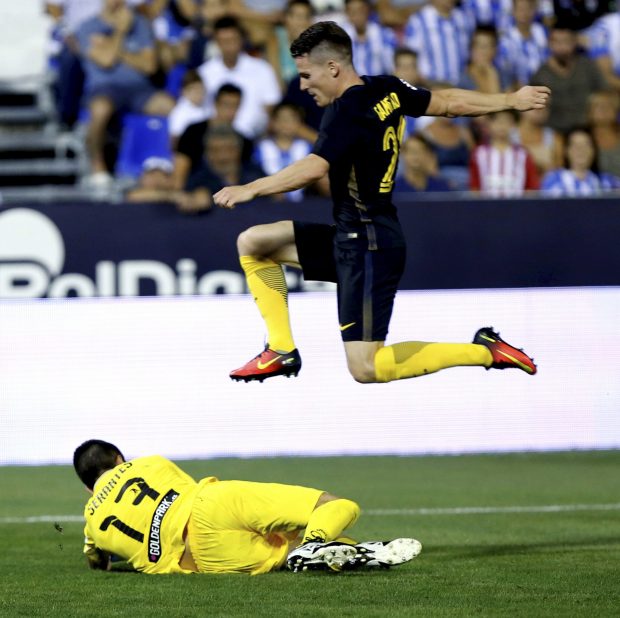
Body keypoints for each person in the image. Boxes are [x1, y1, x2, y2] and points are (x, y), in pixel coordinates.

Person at [213, 21, 546, 384]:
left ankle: (484, 351)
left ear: (333, 68)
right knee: (254, 242)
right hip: (352, 236)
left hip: (369, 245)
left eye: (306, 75)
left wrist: (251, 188)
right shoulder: (387, 88)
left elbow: (314, 168)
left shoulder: (346, 111)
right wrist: (510, 100)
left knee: (366, 368)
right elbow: (448, 102)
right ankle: (280, 350)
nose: (302, 85)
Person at [73, 439, 422, 574]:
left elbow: (96, 561)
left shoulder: (91, 520)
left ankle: (324, 550)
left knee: (289, 553)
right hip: (210, 505)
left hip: (201, 560)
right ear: (119, 459)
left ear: (88, 487)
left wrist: (106, 557)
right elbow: (184, 489)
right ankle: (319, 540)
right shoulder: (147, 463)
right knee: (334, 505)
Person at [75, 0, 175, 186]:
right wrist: (120, 33)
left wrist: (112, 46)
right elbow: (105, 60)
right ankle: (97, 166)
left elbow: (149, 65)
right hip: (105, 88)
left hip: (140, 89)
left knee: (172, 107)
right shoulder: (87, 27)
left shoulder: (141, 24)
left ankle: (177, 166)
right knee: (99, 110)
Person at [197, 16, 281, 139]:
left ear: (241, 39)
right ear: (216, 43)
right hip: (215, 138)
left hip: (254, 138)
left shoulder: (262, 69)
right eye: (224, 41)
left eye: (233, 40)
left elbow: (272, 107)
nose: (229, 46)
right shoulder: (204, 73)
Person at [530, 22, 608, 134]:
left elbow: (605, 93)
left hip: (588, 131)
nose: (561, 47)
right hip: (555, 134)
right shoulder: (541, 75)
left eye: (566, 41)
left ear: (575, 42)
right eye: (556, 42)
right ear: (549, 43)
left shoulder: (587, 66)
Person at [469, 110, 540, 197]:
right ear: (489, 124)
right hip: (486, 207)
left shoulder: (523, 154)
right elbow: (474, 186)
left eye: (507, 121)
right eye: (497, 121)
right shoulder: (479, 153)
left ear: (514, 125)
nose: (502, 125)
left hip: (518, 207)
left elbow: (531, 186)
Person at [540, 127, 620, 196]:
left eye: (586, 145)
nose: (581, 150)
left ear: (594, 150)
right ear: (566, 150)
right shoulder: (553, 180)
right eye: (575, 145)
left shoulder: (607, 182)